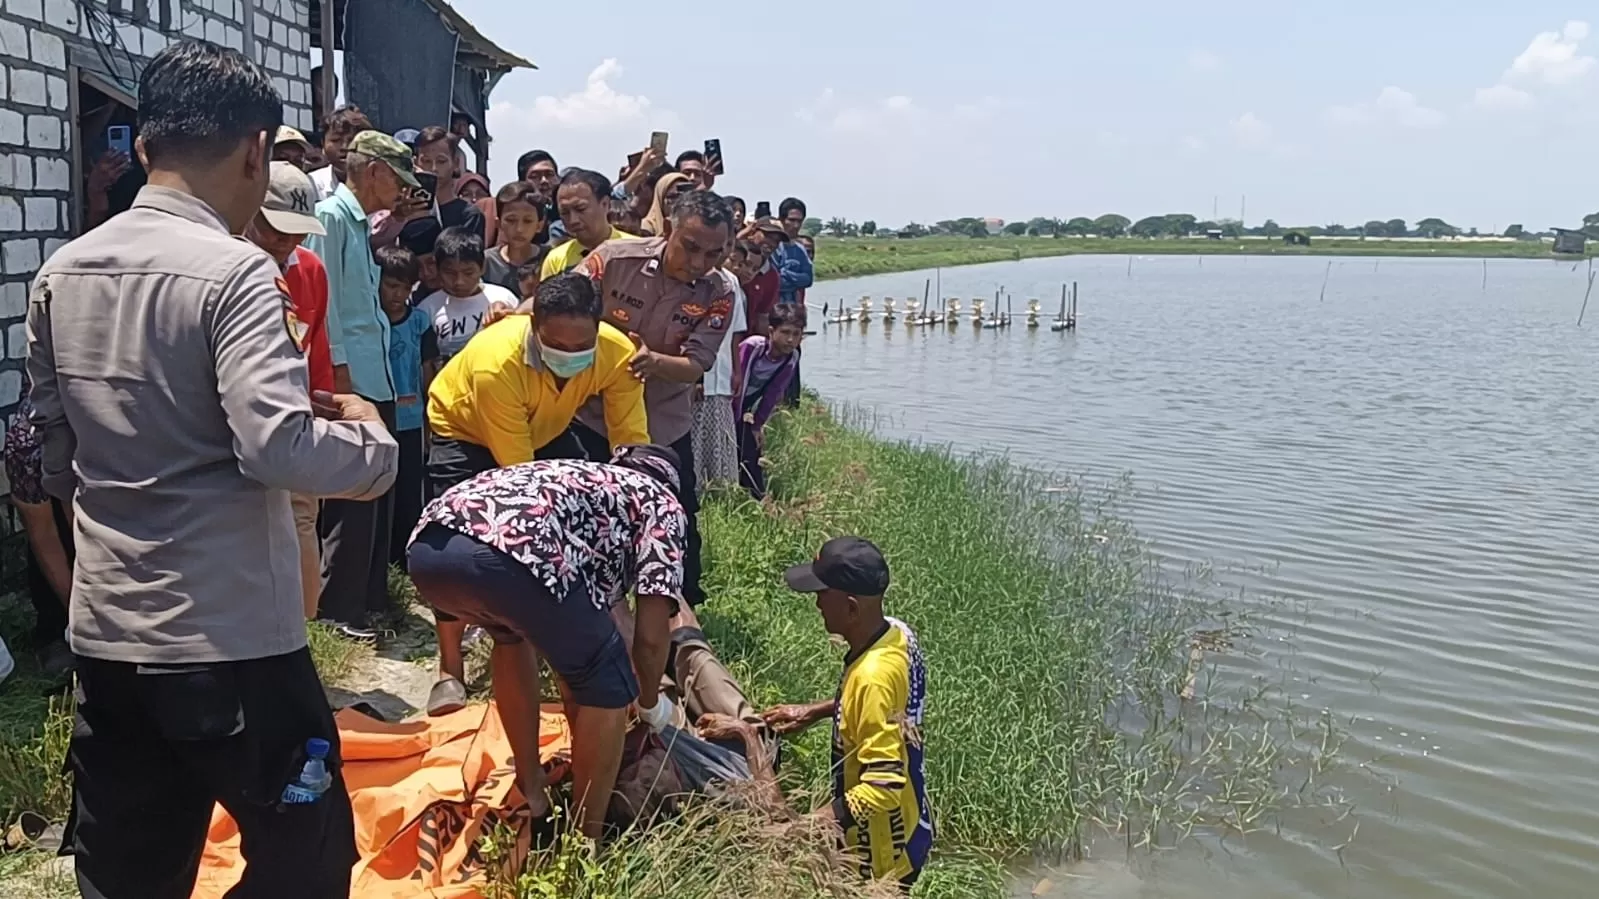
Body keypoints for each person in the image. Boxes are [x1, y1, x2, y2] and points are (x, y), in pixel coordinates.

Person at [26, 41, 398, 899]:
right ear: (256, 152)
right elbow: (275, 445)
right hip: (231, 641)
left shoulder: (59, 272)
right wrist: (373, 446)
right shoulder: (236, 273)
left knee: (126, 870)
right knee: (304, 856)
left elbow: (55, 455)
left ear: (147, 147)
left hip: (111, 632)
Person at [406, 445, 686, 841]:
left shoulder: (585, 484)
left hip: (429, 553)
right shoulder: (661, 502)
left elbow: (568, 634)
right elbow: (651, 638)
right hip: (512, 556)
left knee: (512, 641)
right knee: (609, 684)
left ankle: (534, 797)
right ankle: (584, 844)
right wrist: (649, 704)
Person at [422, 271, 649, 714]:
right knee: (450, 547)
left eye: (581, 347)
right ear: (533, 327)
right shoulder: (496, 362)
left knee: (593, 518)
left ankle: (579, 638)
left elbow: (630, 443)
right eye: (557, 347)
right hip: (464, 430)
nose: (570, 355)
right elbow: (522, 482)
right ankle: (450, 666)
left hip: (547, 429)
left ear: (598, 329)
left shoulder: (618, 353)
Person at [561, 190, 738, 608]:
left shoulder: (720, 291)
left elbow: (696, 365)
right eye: (690, 247)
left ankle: (683, 618)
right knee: (584, 514)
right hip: (590, 415)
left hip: (661, 425)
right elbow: (562, 304)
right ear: (670, 228)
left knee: (678, 521)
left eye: (713, 253)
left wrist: (651, 361)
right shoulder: (614, 259)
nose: (698, 262)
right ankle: (582, 607)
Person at [303, 129, 420, 638]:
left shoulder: (356, 223)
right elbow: (322, 303)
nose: (401, 191)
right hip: (354, 379)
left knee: (378, 493)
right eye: (397, 179)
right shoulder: (330, 217)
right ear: (374, 171)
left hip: (378, 375)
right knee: (353, 499)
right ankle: (339, 611)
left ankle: (371, 599)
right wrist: (341, 375)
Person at [770, 537, 933, 888]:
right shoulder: (898, 634)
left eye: (822, 594)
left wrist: (817, 822)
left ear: (852, 608)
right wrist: (816, 711)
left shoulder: (871, 678)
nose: (816, 604)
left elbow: (885, 783)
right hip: (912, 822)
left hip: (879, 855)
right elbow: (891, 708)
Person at [244, 161, 335, 619]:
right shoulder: (230, 268)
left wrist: (321, 408)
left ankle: (302, 632)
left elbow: (316, 344)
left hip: (296, 418)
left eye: (297, 231)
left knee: (301, 520)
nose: (287, 240)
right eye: (276, 228)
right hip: (237, 423)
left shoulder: (311, 269)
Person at [4, 383, 74, 679]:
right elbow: (43, 535)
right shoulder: (26, 443)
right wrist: (80, 615)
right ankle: (55, 632)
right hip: (55, 494)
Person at [378, 246, 440, 566]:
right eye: (391, 285)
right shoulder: (370, 320)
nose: (397, 294)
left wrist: (430, 424)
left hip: (412, 419)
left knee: (408, 491)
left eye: (405, 287)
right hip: (376, 416)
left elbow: (429, 372)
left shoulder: (419, 322)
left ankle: (404, 560)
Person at [415, 226, 517, 363]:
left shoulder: (503, 298)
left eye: (468, 273)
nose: (459, 282)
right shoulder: (427, 309)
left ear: (482, 267)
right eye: (450, 273)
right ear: (439, 270)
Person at [735, 304, 804, 499]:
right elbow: (738, 383)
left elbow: (774, 393)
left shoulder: (791, 358)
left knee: (751, 447)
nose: (790, 339)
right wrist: (736, 418)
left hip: (744, 406)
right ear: (771, 331)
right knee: (736, 442)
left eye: (796, 334)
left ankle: (756, 497)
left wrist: (758, 424)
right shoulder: (753, 347)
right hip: (729, 402)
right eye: (785, 332)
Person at [692, 255, 747, 493]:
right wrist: (695, 376)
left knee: (720, 439)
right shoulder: (691, 279)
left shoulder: (731, 281)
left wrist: (737, 369)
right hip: (693, 374)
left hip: (722, 373)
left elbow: (735, 332)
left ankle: (721, 493)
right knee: (694, 437)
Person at [541, 169, 637, 280]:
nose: (573, 220)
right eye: (565, 212)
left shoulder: (637, 250)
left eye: (581, 209)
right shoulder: (556, 260)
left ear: (605, 204)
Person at [484, 181, 545, 294]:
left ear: (539, 226)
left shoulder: (550, 259)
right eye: (511, 220)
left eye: (527, 221)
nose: (519, 229)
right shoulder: (486, 262)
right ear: (499, 224)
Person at [309, 105, 373, 198]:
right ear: (323, 143)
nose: (345, 147)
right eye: (336, 140)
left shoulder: (381, 183)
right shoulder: (312, 184)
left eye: (352, 140)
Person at [640, 171, 696, 238]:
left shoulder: (694, 228)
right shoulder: (646, 228)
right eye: (673, 197)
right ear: (661, 198)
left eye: (683, 197)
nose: (678, 202)